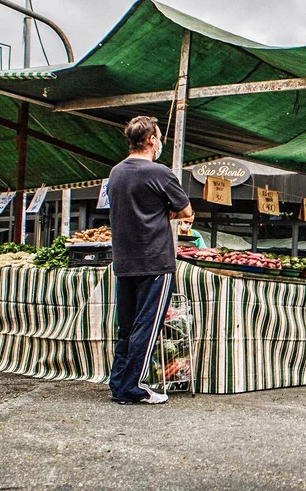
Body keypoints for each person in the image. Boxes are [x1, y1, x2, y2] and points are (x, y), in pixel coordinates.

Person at [108, 115, 194, 405]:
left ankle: (118, 383)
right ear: (151, 140)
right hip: (155, 260)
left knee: (127, 326)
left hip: (124, 259)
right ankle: (132, 388)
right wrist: (166, 212)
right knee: (147, 324)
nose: (160, 142)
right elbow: (186, 212)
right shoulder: (161, 173)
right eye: (158, 137)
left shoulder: (116, 173)